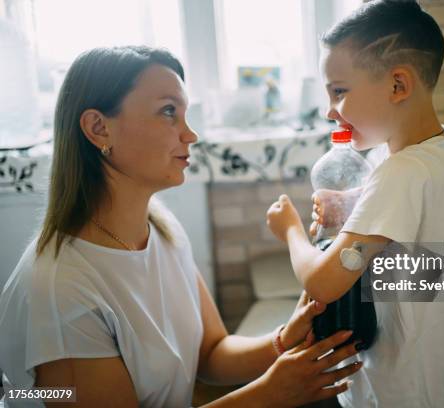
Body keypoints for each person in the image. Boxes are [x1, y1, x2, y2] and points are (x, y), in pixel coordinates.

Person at [0, 46, 363, 408]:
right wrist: (267, 395)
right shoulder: (61, 291)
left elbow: (210, 352)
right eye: (168, 112)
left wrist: (284, 339)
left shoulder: (160, 229)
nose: (191, 135)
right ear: (98, 128)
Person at [266, 1, 444, 407]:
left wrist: (289, 229)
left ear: (398, 85)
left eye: (339, 92)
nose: (330, 111)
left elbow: (324, 282)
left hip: (404, 387)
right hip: (430, 374)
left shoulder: (401, 172)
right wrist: (353, 204)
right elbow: (407, 218)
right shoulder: (437, 149)